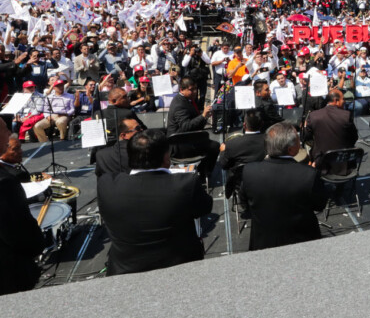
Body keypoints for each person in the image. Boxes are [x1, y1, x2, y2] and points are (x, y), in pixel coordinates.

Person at [97, 129, 213, 276]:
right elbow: (205, 207)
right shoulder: (186, 183)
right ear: (166, 157)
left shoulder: (106, 184)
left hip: (124, 270)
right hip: (181, 268)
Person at [241, 121, 327, 251]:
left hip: (264, 241)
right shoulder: (309, 174)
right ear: (291, 150)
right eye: (298, 140)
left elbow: (245, 203)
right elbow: (319, 204)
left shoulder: (249, 171)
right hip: (302, 241)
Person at [0, 119, 46, 295]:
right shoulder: (5, 182)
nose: (8, 133)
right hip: (9, 273)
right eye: (5, 129)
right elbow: (19, 234)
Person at [166, 78, 220, 179]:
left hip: (187, 139)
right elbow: (186, 126)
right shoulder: (179, 105)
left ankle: (201, 171)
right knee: (215, 147)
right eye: (191, 89)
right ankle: (204, 174)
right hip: (180, 146)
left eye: (196, 88)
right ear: (181, 89)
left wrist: (205, 116)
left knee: (211, 145)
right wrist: (203, 116)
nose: (195, 92)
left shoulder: (187, 100)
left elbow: (194, 123)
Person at [218, 109, 266, 205]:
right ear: (262, 124)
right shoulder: (270, 141)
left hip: (241, 183)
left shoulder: (232, 144)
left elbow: (223, 165)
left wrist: (223, 152)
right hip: (265, 181)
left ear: (244, 125)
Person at [304, 89, 358, 166]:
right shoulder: (346, 115)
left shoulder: (313, 116)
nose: (344, 101)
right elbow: (354, 137)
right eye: (343, 99)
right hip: (344, 164)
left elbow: (306, 137)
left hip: (320, 164)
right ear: (336, 100)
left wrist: (305, 127)